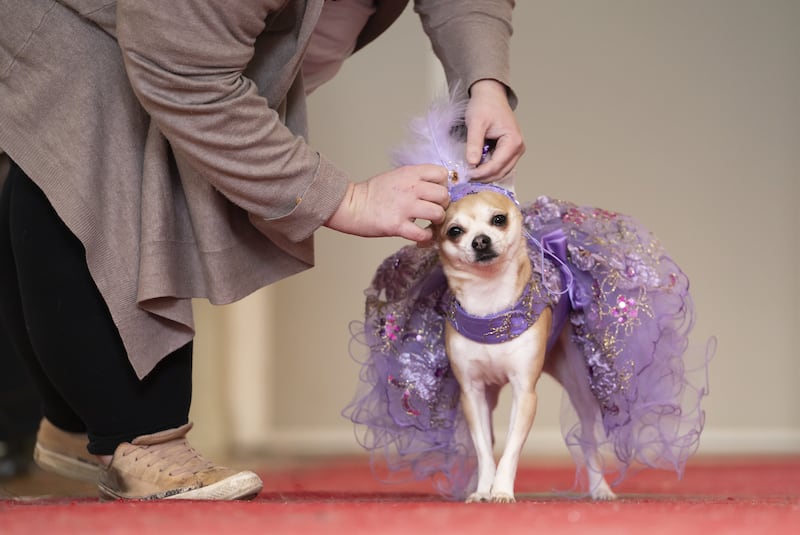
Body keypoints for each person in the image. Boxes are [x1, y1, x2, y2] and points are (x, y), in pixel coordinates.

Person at [0, 0, 524, 500]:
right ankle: (133, 431)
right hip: (100, 36)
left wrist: (484, 79)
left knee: (121, 160)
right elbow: (184, 77)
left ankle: (76, 417)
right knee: (92, 157)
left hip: (192, 52)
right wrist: (347, 199)